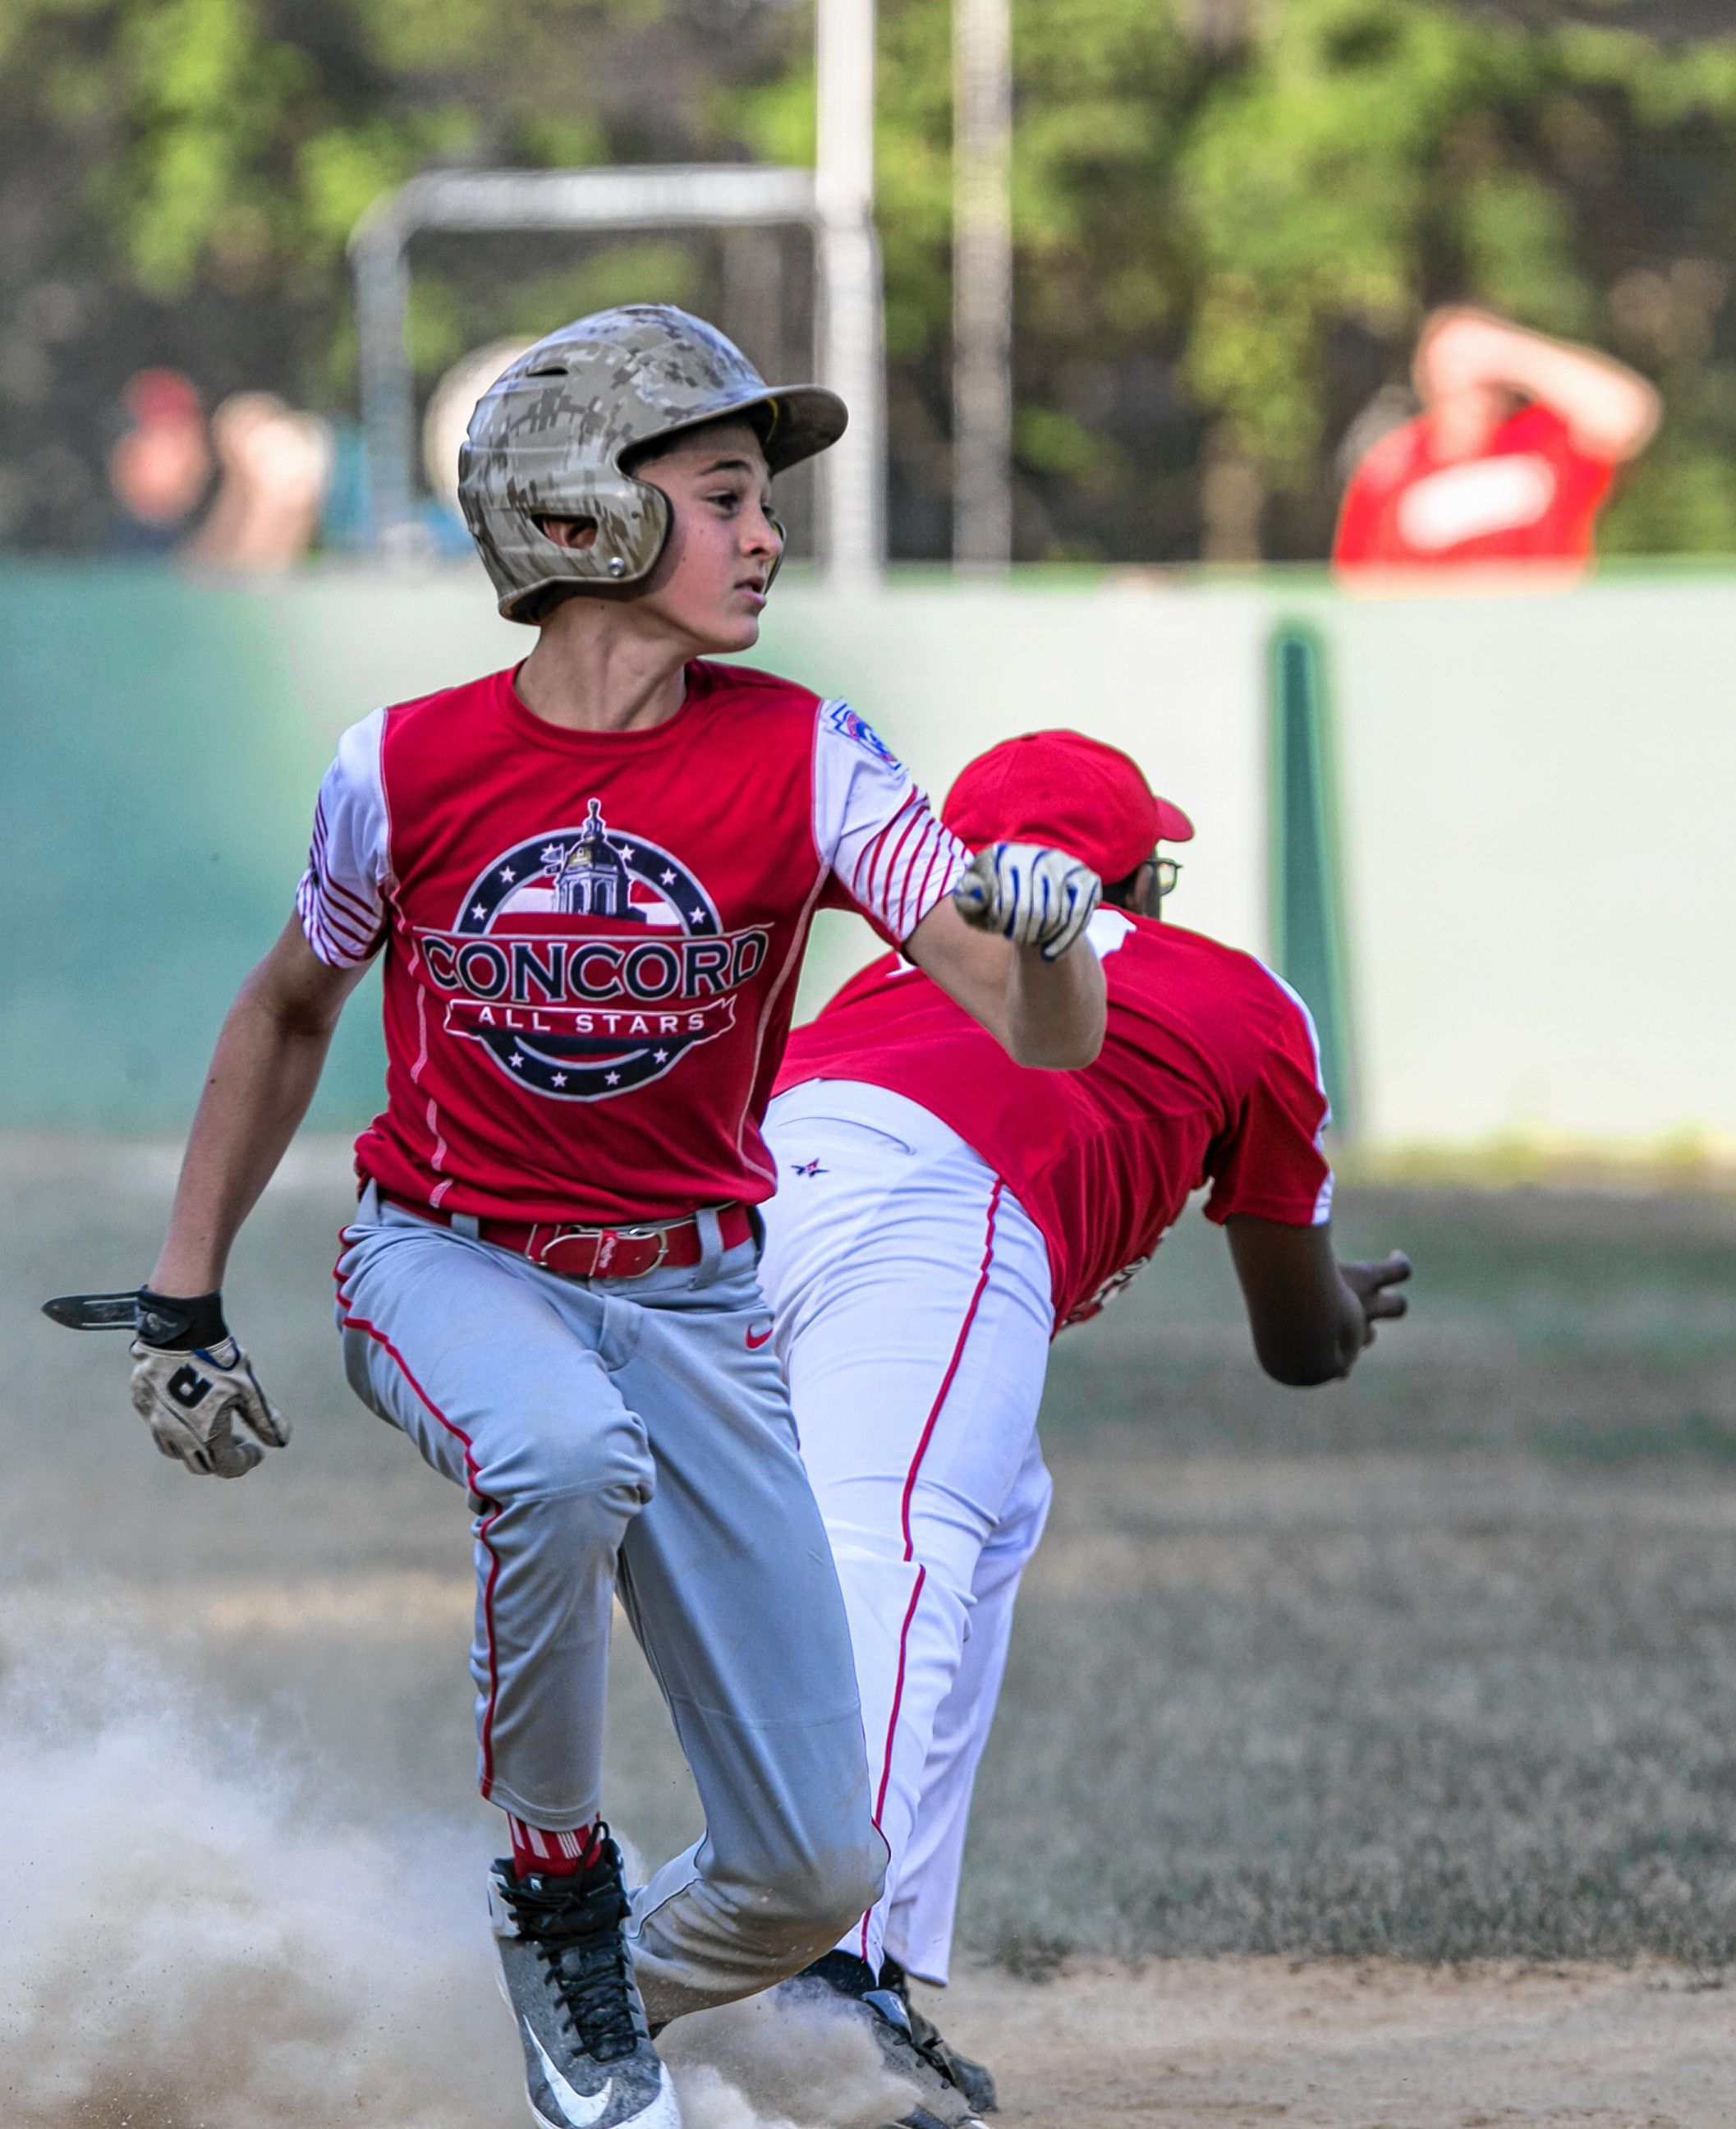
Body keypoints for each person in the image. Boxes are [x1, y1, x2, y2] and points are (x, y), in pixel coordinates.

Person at [43, 310, 1107, 2129]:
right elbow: (286, 1010)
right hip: (444, 1260)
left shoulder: (808, 753)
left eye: (760, 504)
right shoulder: (408, 763)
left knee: (814, 1873)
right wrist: (185, 1296)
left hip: (701, 1309)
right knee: (552, 1455)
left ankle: (507, 2025)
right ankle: (554, 1899)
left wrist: (1061, 937)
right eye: (723, 499)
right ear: (582, 515)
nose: (765, 538)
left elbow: (1032, 1032)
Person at [757, 729, 1411, 2113]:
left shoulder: (892, 965)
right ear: (1141, 880)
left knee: (985, 1513)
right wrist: (1344, 1303)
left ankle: (817, 1965)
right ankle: (822, 1989)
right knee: (902, 1549)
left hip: (746, 1190)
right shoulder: (1240, 997)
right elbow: (1297, 1344)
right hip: (933, 1210)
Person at [1332, 306, 1660, 577]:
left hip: (1542, 637)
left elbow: (1629, 416)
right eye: (1451, 358)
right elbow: (1357, 580)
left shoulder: (1544, 440)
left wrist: (1513, 352)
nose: (1468, 370)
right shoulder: (1392, 466)